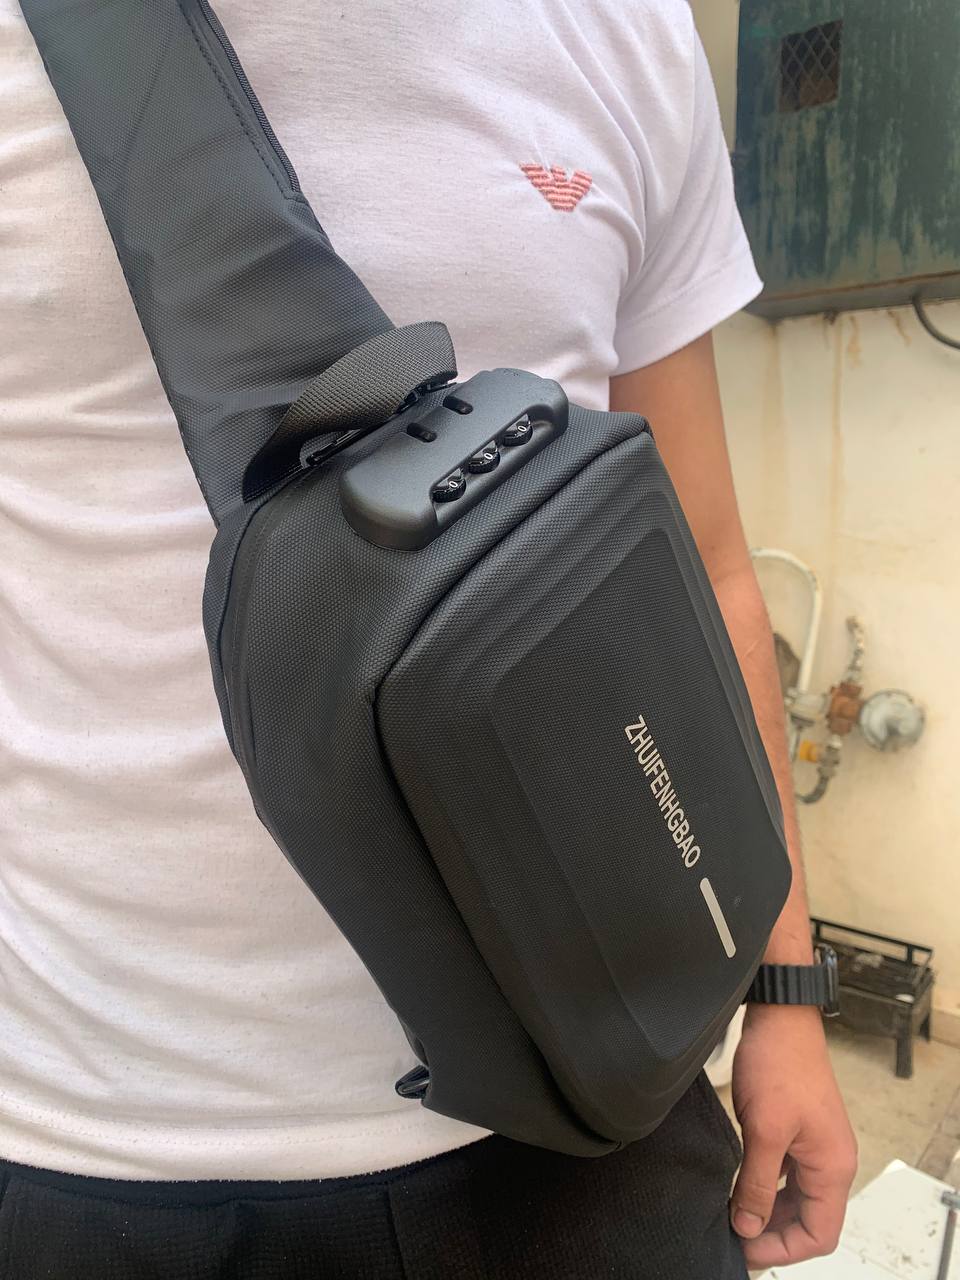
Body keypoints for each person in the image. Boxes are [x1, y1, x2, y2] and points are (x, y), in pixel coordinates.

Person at [0, 0, 857, 1275]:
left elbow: (708, 561)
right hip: (94, 1147)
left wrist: (783, 995)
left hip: (600, 1098)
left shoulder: (619, 26)